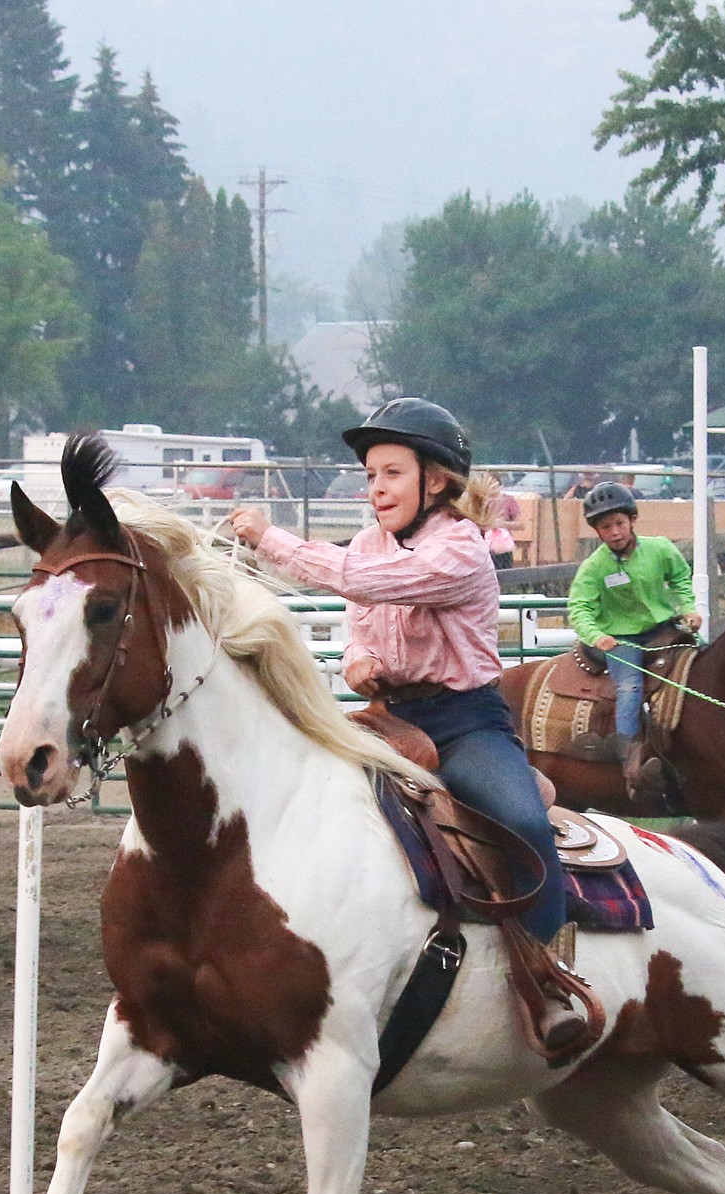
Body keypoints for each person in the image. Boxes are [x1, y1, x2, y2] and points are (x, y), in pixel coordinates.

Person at [229, 396, 586, 1052]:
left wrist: (268, 538)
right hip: (390, 716)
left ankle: (546, 978)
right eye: (371, 476)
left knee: (525, 821)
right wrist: (361, 663)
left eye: (392, 473)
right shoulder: (370, 545)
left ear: (437, 480)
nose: (377, 488)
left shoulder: (459, 548)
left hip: (464, 722)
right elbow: (360, 630)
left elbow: (363, 583)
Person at [566, 480, 701, 795]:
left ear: (632, 520)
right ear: (596, 531)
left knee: (701, 662)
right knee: (629, 686)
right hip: (620, 638)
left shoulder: (660, 549)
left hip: (663, 627)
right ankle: (629, 758)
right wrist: (596, 636)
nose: (614, 532)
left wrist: (689, 609)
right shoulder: (593, 567)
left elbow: (681, 578)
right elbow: (579, 608)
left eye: (618, 523)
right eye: (605, 527)